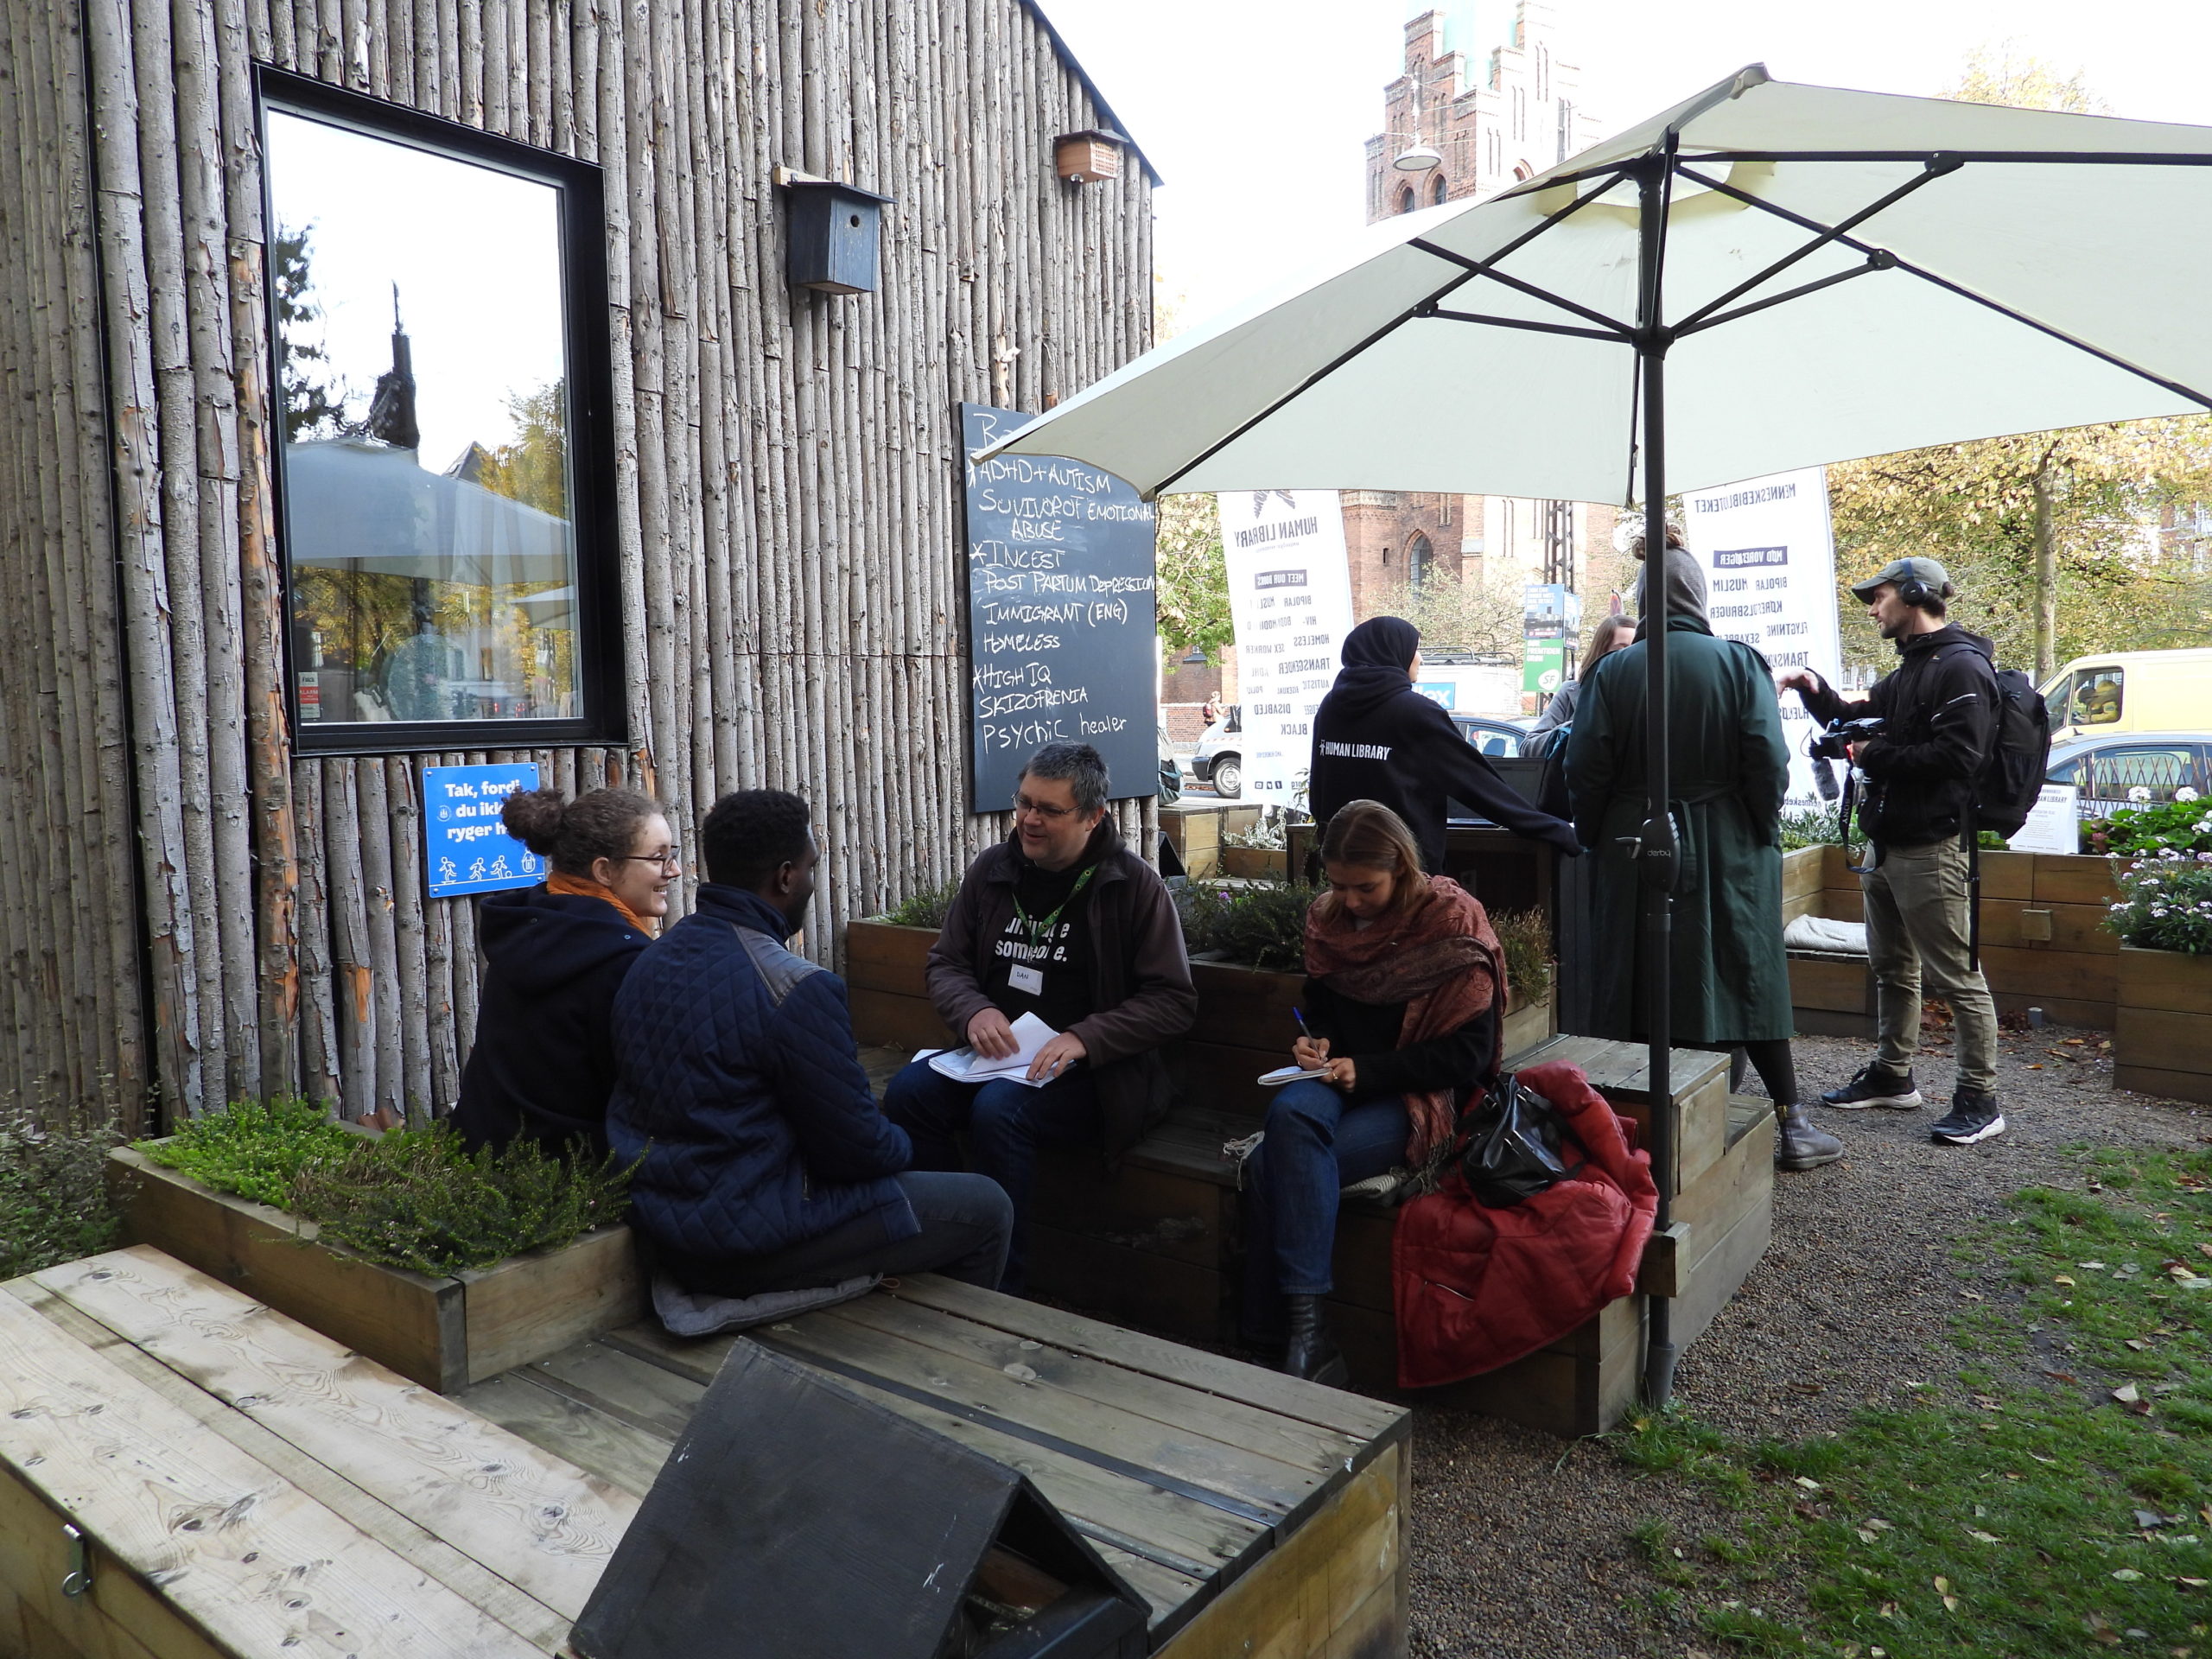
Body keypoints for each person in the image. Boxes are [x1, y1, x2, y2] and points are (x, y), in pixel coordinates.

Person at [607, 789, 1013, 1296]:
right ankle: (956, 1353)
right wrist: (906, 1145)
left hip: (662, 1217)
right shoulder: (798, 988)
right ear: (785, 876)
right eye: (811, 867)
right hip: (749, 1239)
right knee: (985, 1206)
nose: (813, 881)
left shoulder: (651, 958)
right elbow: (856, 1153)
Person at [1564, 552, 1844, 1172]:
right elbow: (1769, 762)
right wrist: (1757, 830)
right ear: (1699, 596)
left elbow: (1583, 768)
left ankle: (1629, 1129)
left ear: (1643, 600)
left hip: (1633, 843)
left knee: (1638, 972)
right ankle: (1794, 1124)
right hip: (1726, 842)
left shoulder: (1613, 672)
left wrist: (1596, 835)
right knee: (1748, 971)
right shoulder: (1740, 663)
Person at [883, 743, 1198, 1294]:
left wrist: (1084, 1037)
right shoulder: (993, 870)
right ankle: (941, 1246)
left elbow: (1173, 1000)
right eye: (1024, 802)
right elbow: (947, 962)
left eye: (1050, 810)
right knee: (909, 1092)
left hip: (1096, 1076)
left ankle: (1002, 1282)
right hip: (993, 1059)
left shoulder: (1133, 885)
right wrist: (973, 1008)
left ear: (1094, 816)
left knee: (1000, 1112)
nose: (1029, 819)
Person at [1240, 800, 1503, 1383]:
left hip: (1418, 1095)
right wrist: (1312, 1042)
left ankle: (1286, 1332)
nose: (1351, 901)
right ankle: (1308, 1343)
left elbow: (1470, 1055)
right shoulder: (1331, 920)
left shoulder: (1452, 922)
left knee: (1271, 1165)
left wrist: (1373, 1071)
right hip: (1338, 1078)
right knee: (1290, 1114)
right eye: (1338, 885)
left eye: (1366, 888)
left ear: (1403, 870)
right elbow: (1323, 1009)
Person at [1777, 556, 2005, 1147]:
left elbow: (1960, 759)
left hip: (1931, 846)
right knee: (1892, 968)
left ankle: (1980, 1099)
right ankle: (1892, 1074)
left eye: (1877, 597)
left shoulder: (1959, 668)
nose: (1873, 609)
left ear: (1912, 594)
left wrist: (1869, 755)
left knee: (1956, 975)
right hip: (1888, 843)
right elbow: (1855, 719)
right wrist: (1814, 691)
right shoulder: (1910, 670)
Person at [452, 786, 671, 1158]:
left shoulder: (530, 925)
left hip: (481, 1153)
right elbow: (642, 1093)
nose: (674, 870)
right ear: (604, 870)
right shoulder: (621, 961)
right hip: (569, 1175)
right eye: (658, 858)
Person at [1308, 616, 1581, 876]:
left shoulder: (1330, 706)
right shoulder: (1414, 713)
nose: (1421, 658)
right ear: (1394, 652)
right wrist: (1554, 829)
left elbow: (1318, 791)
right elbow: (1477, 784)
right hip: (1403, 872)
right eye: (1415, 649)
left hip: (1342, 870)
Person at [1529, 613, 1635, 741]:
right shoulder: (1571, 692)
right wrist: (1576, 728)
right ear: (1601, 652)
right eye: (1621, 650)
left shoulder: (1651, 696)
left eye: (1635, 649)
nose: (1629, 657)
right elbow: (1529, 746)